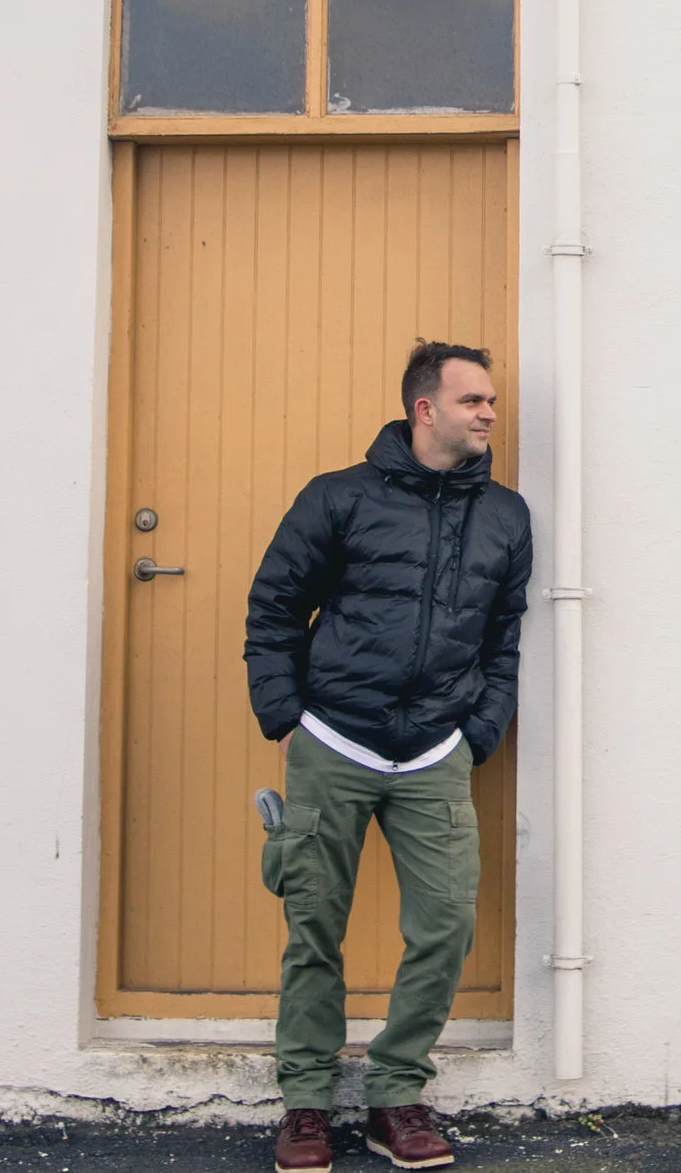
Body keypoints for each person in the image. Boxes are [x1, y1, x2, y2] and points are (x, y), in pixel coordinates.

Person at [244, 341, 533, 1173]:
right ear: (425, 409)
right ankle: (305, 1102)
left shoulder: (506, 517)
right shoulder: (340, 498)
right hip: (334, 739)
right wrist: (288, 721)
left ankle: (395, 1094)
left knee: (444, 924)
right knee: (313, 926)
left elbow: (503, 641)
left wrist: (478, 732)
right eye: (473, 399)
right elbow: (273, 610)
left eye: (491, 401)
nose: (488, 412)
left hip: (437, 749)